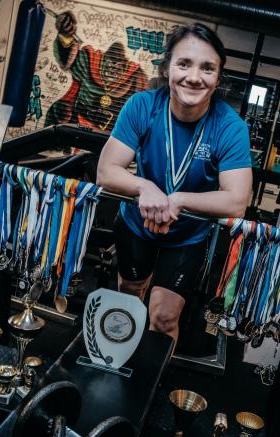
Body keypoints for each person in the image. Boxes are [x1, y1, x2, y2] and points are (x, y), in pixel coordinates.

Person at [96, 23, 252, 343]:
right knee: (129, 295)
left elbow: (237, 201)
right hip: (137, 226)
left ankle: (146, 384)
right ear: (167, 68)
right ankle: (121, 362)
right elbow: (106, 172)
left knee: (165, 318)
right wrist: (145, 187)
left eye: (207, 68)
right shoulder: (142, 106)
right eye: (184, 64)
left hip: (186, 236)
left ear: (218, 78)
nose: (194, 77)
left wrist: (178, 199)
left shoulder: (230, 127)